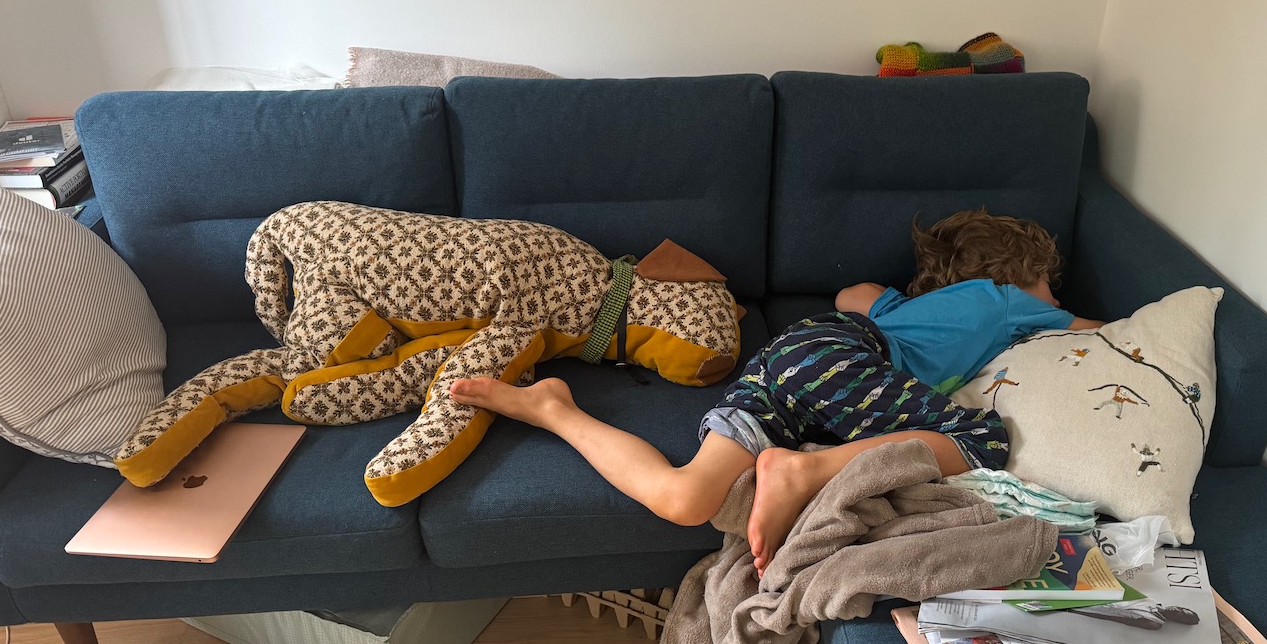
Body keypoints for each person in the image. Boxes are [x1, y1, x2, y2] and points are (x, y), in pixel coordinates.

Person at [450, 209, 1104, 576]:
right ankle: (802, 467)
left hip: (795, 353)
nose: (1054, 298)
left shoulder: (898, 302)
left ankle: (556, 411)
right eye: (1050, 283)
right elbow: (1103, 332)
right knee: (983, 436)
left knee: (686, 497)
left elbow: (851, 296)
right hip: (847, 362)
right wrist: (1045, 310)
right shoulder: (1011, 301)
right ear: (1020, 275)